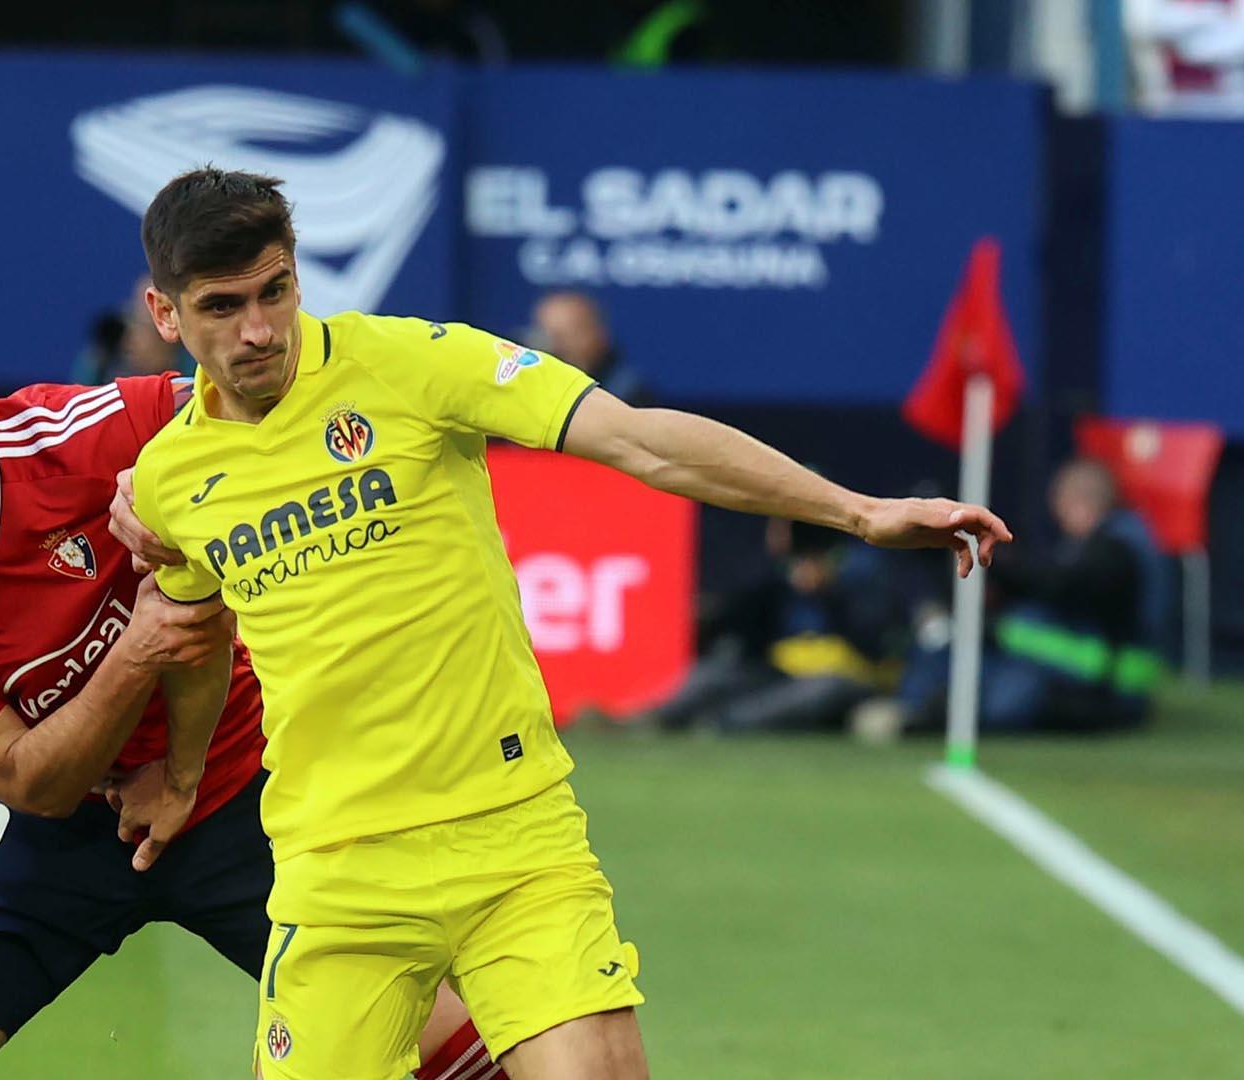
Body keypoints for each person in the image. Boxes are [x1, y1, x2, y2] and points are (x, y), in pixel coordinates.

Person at [108, 168, 1011, 1079]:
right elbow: (195, 635)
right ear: (165, 311)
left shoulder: (416, 363)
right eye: (224, 306)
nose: (260, 329)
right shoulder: (168, 482)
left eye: (278, 291)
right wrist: (183, 773)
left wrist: (859, 512)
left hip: (512, 834)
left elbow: (641, 439)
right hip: (334, 866)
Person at [0, 281, 508, 1080]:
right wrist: (138, 646)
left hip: (245, 780)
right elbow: (32, 782)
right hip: (57, 829)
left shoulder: (97, 434)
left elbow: (263, 419)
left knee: (456, 1053)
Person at [899, 457, 1159, 733]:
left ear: (1068, 501)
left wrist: (999, 564)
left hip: (1107, 684)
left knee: (1003, 685)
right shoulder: (1130, 539)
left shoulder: (1113, 551)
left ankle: (923, 712)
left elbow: (1064, 587)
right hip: (1107, 677)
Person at [650, 519, 908, 734]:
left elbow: (877, 641)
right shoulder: (781, 573)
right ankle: (655, 718)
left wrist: (828, 593)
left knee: (820, 688)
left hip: (851, 675)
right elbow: (748, 627)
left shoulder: (861, 566)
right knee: (718, 672)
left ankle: (722, 724)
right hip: (786, 673)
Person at [1125, 0, 1244, 118]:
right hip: (1164, 99)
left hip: (1237, 96)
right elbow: (1144, 24)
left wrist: (1185, 47)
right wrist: (1215, 14)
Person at [528, 290, 654, 408]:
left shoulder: (629, 397)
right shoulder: (530, 394)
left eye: (569, 334)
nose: (557, 347)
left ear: (597, 332)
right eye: (548, 335)